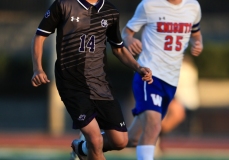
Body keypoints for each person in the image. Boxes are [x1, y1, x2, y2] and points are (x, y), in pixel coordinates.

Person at [30, 0, 153, 160]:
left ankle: (80, 148)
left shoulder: (110, 12)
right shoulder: (64, 5)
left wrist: (139, 67)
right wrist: (37, 69)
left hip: (100, 84)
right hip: (71, 83)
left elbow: (118, 49)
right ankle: (89, 146)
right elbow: (39, 36)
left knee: (120, 141)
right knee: (95, 140)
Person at [121, 0, 203, 159]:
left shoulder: (193, 7)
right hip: (149, 75)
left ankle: (85, 145)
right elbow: (127, 31)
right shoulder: (149, 5)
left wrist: (197, 42)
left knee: (132, 138)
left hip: (171, 81)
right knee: (153, 125)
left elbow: (196, 32)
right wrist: (130, 40)